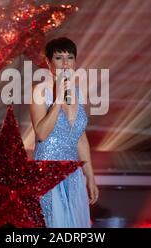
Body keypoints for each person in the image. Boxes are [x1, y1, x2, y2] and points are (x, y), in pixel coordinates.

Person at [29, 37, 99, 228]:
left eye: (70, 58)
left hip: (72, 174)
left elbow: (80, 138)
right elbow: (41, 134)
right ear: (49, 63)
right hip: (48, 173)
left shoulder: (76, 91)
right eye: (59, 58)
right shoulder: (40, 91)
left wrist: (90, 177)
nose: (66, 63)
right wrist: (59, 98)